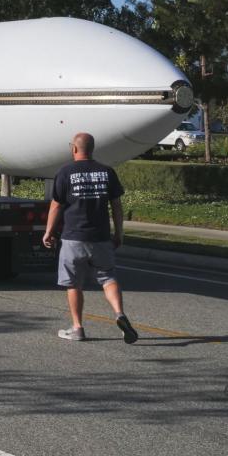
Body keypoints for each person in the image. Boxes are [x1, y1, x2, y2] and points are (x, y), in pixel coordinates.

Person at [42, 132, 138, 343]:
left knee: (74, 283)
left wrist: (49, 231)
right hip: (101, 237)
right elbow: (117, 206)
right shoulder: (107, 172)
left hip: (73, 238)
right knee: (108, 277)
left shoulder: (65, 172)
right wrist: (119, 232)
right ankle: (120, 314)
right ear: (92, 149)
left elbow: (57, 204)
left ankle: (77, 328)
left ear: (74, 149)